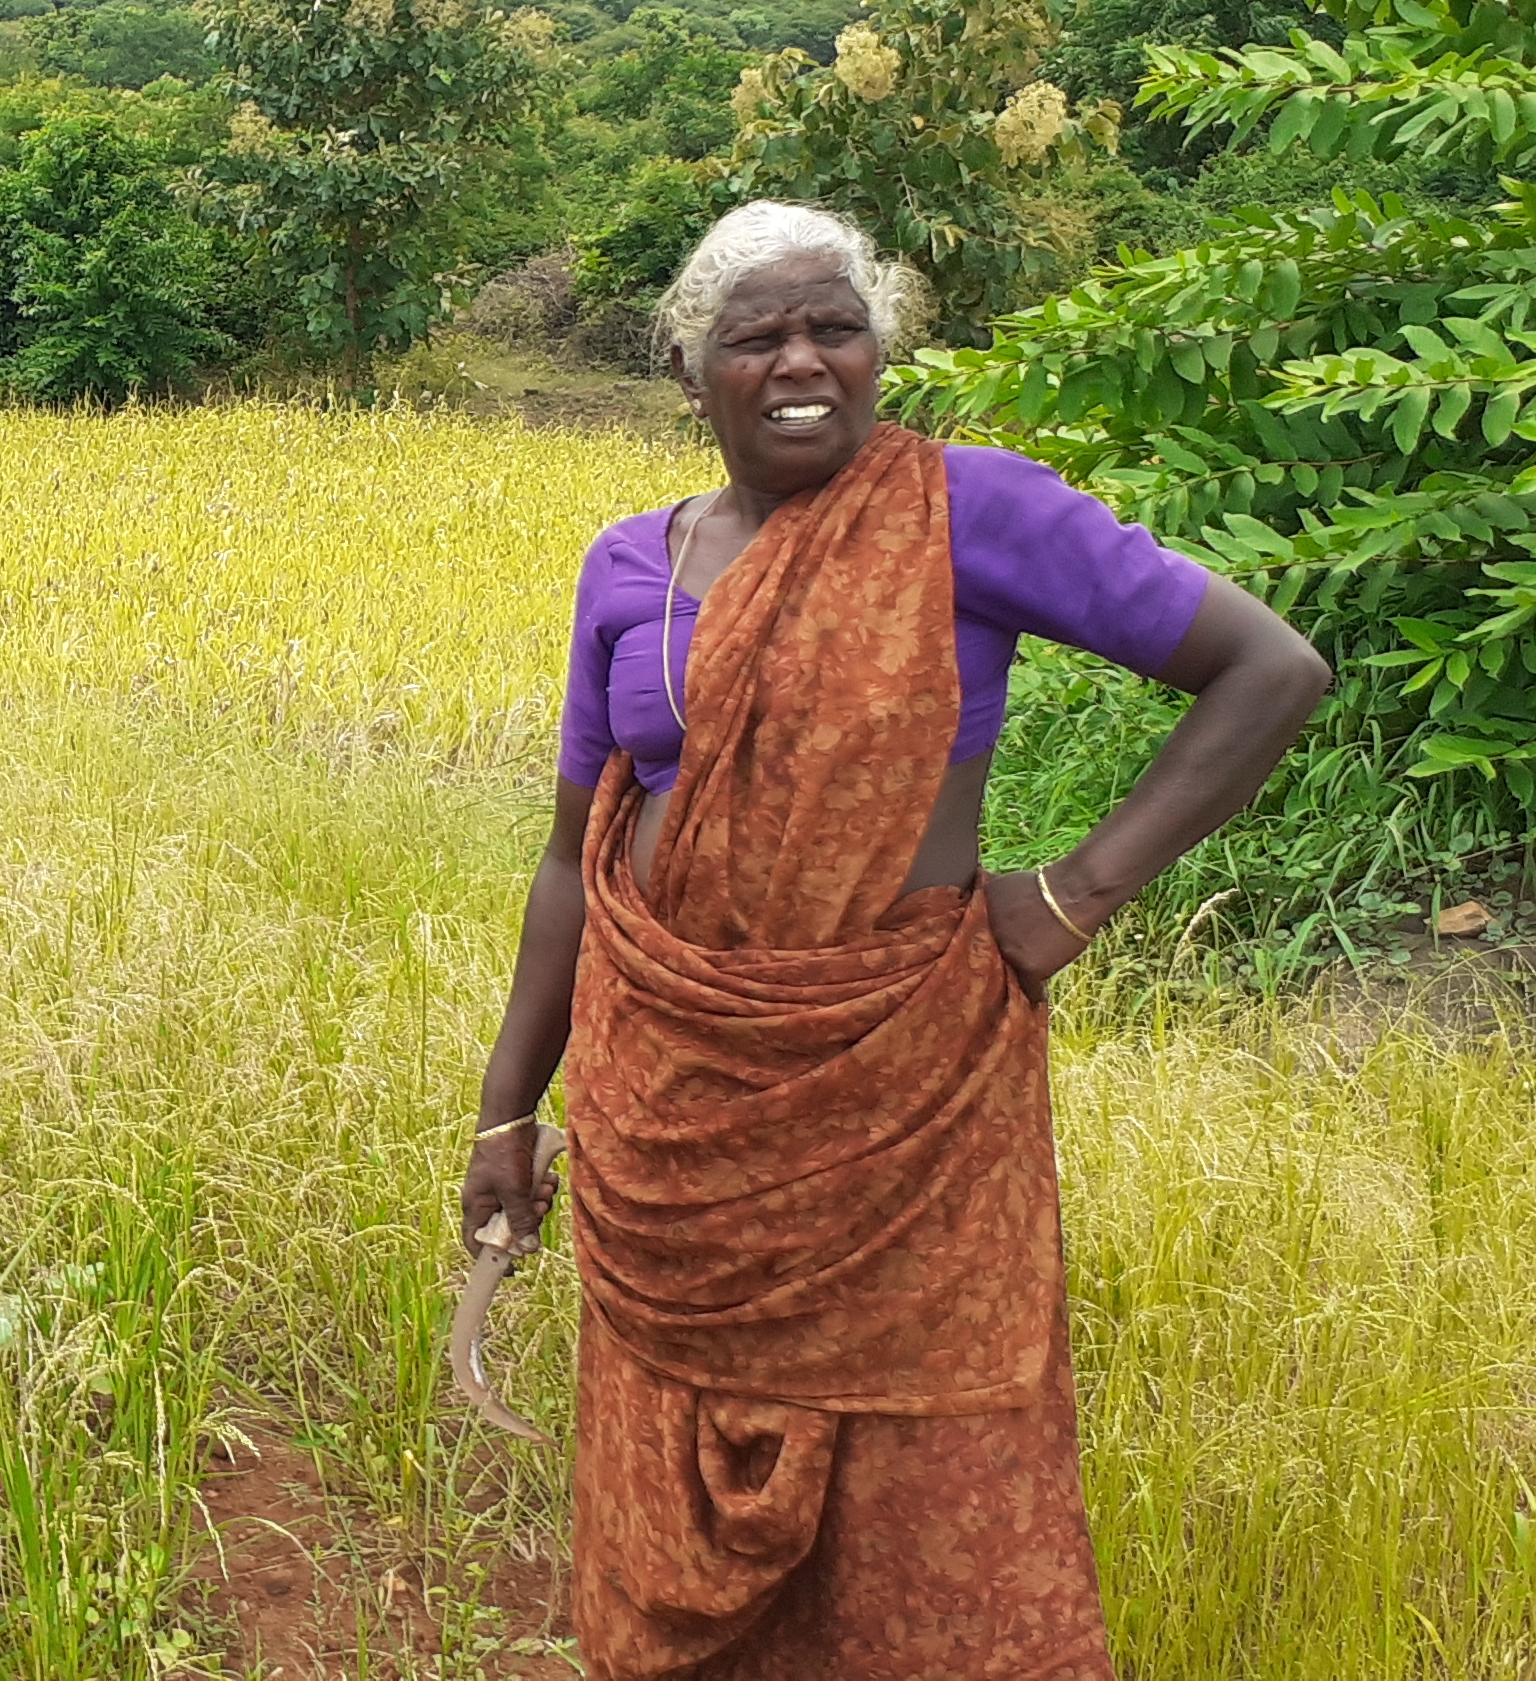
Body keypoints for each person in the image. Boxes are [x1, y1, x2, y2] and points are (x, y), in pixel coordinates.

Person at [457, 201, 1329, 1678]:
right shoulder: (629, 566)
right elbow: (569, 861)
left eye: (834, 327)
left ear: (878, 351)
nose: (803, 359)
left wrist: (1072, 896)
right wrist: (505, 1106)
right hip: (668, 1090)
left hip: (902, 1085)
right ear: (689, 371)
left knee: (928, 1468)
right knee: (666, 1449)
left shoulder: (971, 510)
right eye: (758, 336)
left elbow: (1269, 670)